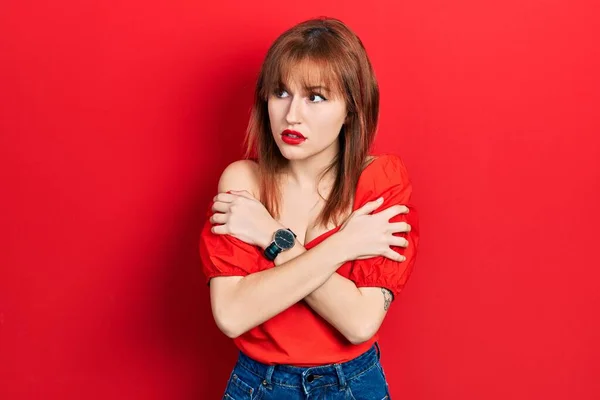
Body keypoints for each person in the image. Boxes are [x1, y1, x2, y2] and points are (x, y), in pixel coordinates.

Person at [199, 17, 420, 400]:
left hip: (353, 386)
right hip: (259, 386)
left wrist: (270, 235)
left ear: (351, 109)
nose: (291, 115)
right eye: (281, 93)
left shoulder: (379, 181)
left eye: (315, 96)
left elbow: (359, 321)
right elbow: (232, 314)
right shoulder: (243, 181)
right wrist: (343, 246)